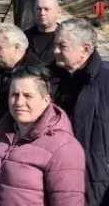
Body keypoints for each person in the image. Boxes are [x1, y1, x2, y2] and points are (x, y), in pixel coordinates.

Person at [0, 67, 85, 206]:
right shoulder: (2, 135)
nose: (19, 102)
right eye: (14, 95)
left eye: (28, 96)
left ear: (46, 101)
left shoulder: (63, 148)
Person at [51, 17, 109, 206]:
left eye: (62, 46)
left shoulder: (106, 80)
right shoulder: (55, 80)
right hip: (64, 181)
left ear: (85, 49)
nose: (55, 51)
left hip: (98, 185)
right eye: (55, 45)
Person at [25, 0, 63, 68]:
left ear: (58, 12)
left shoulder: (67, 37)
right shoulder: (25, 37)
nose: (42, 13)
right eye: (38, 9)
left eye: (47, 9)